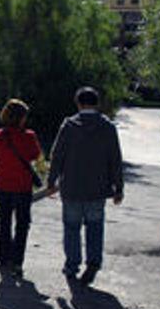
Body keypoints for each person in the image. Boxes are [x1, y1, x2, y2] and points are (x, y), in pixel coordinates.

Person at [46, 87, 123, 285]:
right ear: (97, 103)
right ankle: (93, 264)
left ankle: (72, 266)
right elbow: (115, 160)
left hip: (71, 188)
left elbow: (57, 155)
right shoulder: (107, 128)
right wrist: (118, 188)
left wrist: (51, 181)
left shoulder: (69, 126)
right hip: (97, 189)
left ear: (78, 103)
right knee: (95, 227)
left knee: (71, 228)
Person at [0, 99, 42, 279]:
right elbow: (35, 155)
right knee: (22, 225)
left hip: (3, 184)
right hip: (22, 187)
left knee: (4, 223)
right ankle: (17, 260)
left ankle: (3, 257)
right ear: (21, 118)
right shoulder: (29, 136)